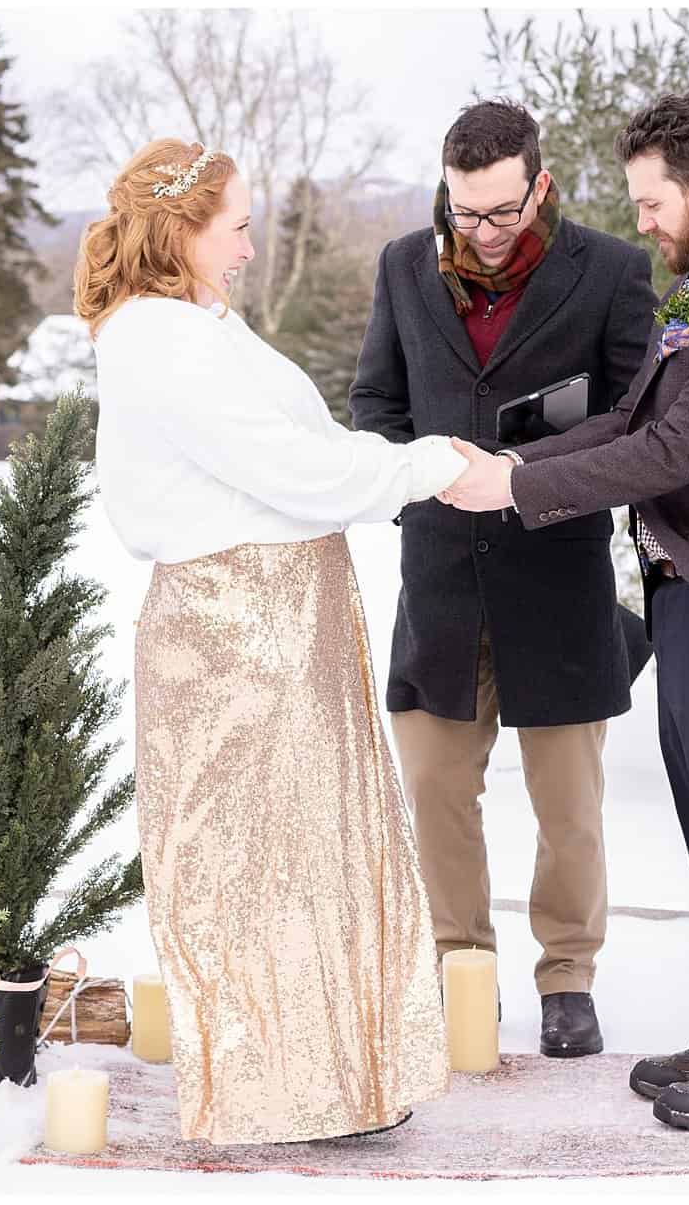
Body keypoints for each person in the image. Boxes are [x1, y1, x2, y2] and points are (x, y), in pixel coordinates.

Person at [440, 92, 689, 1133]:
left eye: (651, 201)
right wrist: (513, 461)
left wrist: (518, 496)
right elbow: (632, 416)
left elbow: (673, 455)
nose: (642, 223)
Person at [80, 138, 464, 1144]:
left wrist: (407, 461)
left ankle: (337, 1076)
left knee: (310, 850)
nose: (252, 247)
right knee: (252, 860)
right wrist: (423, 470)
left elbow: (310, 454)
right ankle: (270, 1090)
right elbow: (289, 471)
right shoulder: (163, 342)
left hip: (279, 619)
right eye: (239, 228)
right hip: (235, 628)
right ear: (183, 233)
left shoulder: (202, 329)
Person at [350, 99, 658, 1058]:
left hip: (558, 584)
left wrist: (530, 476)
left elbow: (639, 422)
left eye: (499, 212)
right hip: (437, 580)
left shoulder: (612, 271)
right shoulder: (404, 265)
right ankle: (460, 969)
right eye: (462, 211)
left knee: (569, 808)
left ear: (540, 187)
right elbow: (373, 402)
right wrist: (423, 475)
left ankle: (568, 975)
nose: (480, 234)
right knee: (438, 790)